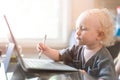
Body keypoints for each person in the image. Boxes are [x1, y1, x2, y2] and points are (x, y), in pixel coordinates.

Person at [37, 8, 116, 80]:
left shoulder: (104, 58)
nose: (77, 32)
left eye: (83, 28)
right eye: (77, 28)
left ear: (99, 35)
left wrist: (87, 77)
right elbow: (58, 55)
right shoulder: (75, 49)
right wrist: (46, 50)